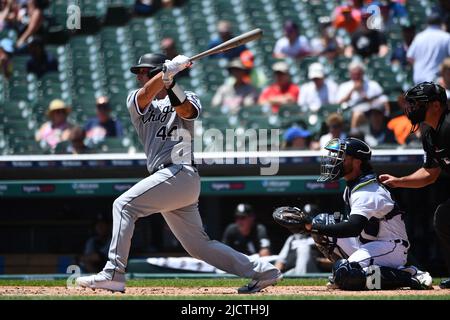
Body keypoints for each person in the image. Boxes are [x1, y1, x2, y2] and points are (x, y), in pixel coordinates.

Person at [75, 53, 281, 294]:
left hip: (180, 171)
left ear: (154, 72)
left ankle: (113, 273)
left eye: (143, 71)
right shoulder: (136, 98)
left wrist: (170, 80)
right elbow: (144, 96)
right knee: (198, 247)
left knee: (123, 205)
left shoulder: (186, 94)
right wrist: (165, 73)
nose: (139, 76)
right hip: (169, 180)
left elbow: (188, 112)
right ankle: (262, 271)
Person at [275, 137, 433, 290]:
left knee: (346, 272)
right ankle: (346, 274)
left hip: (390, 247)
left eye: (342, 158)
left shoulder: (368, 191)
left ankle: (409, 275)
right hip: (368, 243)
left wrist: (313, 227)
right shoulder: (352, 187)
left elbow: (353, 228)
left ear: (357, 161)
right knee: (323, 222)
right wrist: (317, 227)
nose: (334, 162)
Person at [379, 81, 450, 289]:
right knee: (444, 217)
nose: (412, 108)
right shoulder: (429, 134)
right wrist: (400, 182)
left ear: (436, 105)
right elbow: (430, 174)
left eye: (419, 103)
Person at [336, 60, 388, 129]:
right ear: (350, 74)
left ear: (363, 73)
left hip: (370, 111)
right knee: (356, 114)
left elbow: (384, 100)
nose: (356, 76)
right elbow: (338, 103)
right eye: (354, 74)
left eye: (358, 74)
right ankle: (353, 134)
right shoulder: (344, 86)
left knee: (365, 114)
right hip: (350, 112)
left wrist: (362, 93)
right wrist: (352, 90)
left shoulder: (372, 85)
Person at [407, 13, 450, 84]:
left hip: (418, 80)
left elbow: (410, 58)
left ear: (428, 23)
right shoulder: (446, 37)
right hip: (435, 80)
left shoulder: (419, 36)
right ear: (441, 24)